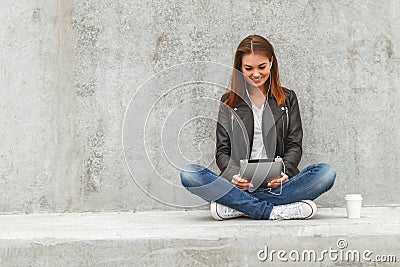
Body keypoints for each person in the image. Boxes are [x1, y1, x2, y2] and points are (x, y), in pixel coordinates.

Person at [180, 35, 336, 220]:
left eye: (261, 67)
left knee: (326, 173)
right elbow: (222, 151)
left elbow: (294, 144)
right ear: (239, 68)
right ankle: (271, 211)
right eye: (248, 68)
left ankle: (238, 206)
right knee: (190, 174)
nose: (256, 74)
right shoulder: (229, 102)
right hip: (240, 184)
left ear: (271, 63)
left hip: (278, 185)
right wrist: (234, 176)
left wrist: (284, 171)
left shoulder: (287, 99)